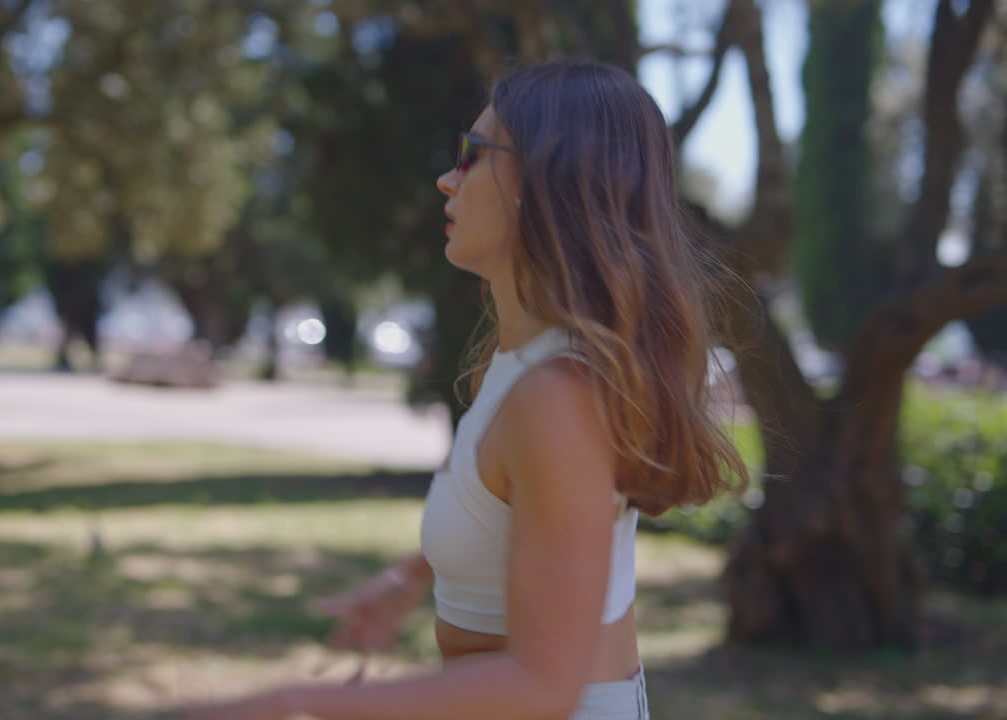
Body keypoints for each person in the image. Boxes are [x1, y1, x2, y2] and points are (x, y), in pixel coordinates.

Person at [186, 58, 746, 720]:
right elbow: (507, 513)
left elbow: (544, 688)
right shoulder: (514, 362)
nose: (447, 179)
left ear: (548, 182)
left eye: (473, 154)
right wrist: (410, 578)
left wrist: (295, 705)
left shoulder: (557, 396)